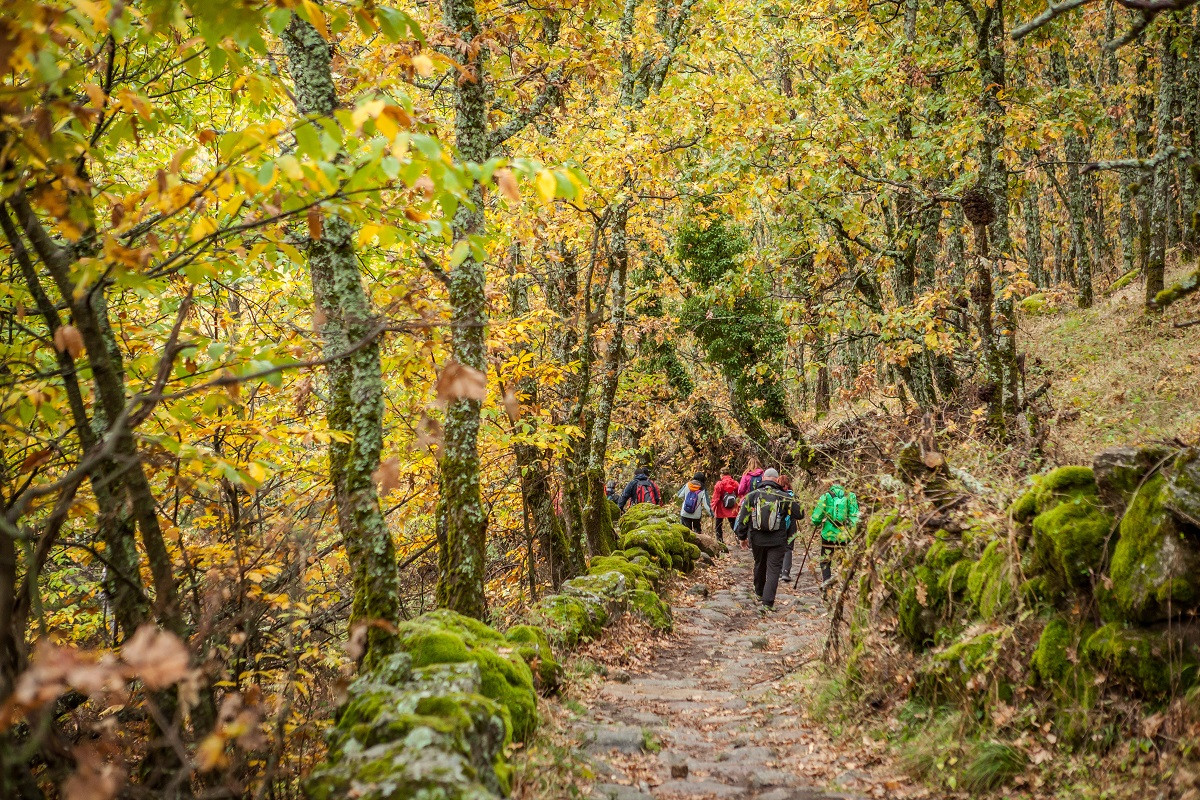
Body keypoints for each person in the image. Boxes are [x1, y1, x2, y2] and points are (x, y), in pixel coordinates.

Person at [733, 468, 800, 610]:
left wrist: (742, 537)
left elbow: (743, 518)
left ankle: (758, 592)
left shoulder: (752, 496)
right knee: (774, 570)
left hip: (756, 538)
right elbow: (799, 514)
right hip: (778, 539)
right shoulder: (783, 496)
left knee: (759, 564)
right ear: (776, 480)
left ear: (763, 479)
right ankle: (767, 603)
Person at [811, 482, 860, 587]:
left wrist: (817, 522)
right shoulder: (851, 496)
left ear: (832, 483)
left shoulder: (826, 496)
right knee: (844, 562)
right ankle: (843, 586)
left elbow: (816, 518)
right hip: (845, 536)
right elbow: (855, 517)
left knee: (825, 561)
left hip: (828, 536)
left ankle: (826, 585)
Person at [777, 474, 798, 583]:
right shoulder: (793, 496)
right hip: (792, 524)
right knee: (789, 548)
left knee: (780, 547)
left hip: (780, 524)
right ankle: (785, 572)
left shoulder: (776, 495)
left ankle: (780, 570)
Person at [711, 467, 740, 544]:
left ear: (721, 474)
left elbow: (716, 498)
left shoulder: (719, 484)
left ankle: (720, 542)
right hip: (732, 507)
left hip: (721, 507)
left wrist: (712, 508)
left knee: (718, 525)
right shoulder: (735, 483)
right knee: (734, 524)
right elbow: (738, 494)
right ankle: (741, 539)